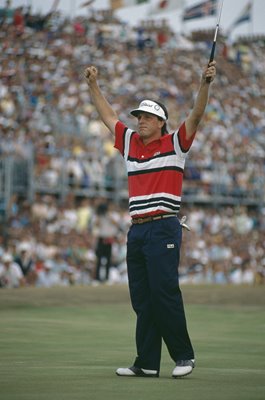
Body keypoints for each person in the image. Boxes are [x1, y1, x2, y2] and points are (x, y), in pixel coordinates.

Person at [84, 59, 216, 378]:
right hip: (138, 231)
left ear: (160, 121)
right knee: (142, 299)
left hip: (164, 227)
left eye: (146, 116)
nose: (139, 121)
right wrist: (92, 86)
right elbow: (107, 116)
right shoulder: (130, 143)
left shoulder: (175, 143)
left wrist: (204, 84)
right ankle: (146, 363)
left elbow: (196, 115)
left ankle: (184, 356)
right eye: (139, 116)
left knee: (163, 292)